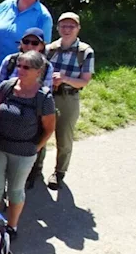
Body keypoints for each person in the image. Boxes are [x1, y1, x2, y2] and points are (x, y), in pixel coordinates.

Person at [0, 51, 56, 231]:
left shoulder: (44, 97)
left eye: (26, 67)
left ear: (38, 71)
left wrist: (35, 149)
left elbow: (49, 128)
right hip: (0, 147)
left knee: (15, 191)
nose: (21, 70)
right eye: (19, 65)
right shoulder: (7, 87)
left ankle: (12, 226)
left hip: (24, 153)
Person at [34, 12, 95, 189]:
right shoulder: (49, 49)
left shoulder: (85, 51)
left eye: (71, 26)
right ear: (58, 28)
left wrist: (64, 78)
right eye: (63, 26)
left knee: (64, 137)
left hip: (68, 97)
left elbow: (85, 80)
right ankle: (36, 167)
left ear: (78, 28)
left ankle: (59, 171)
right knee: (40, 132)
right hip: (47, 95)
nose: (67, 30)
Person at [0, 27, 55, 93]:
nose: (29, 46)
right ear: (21, 43)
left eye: (34, 43)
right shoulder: (10, 60)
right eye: (26, 42)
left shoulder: (46, 66)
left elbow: (47, 91)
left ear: (42, 46)